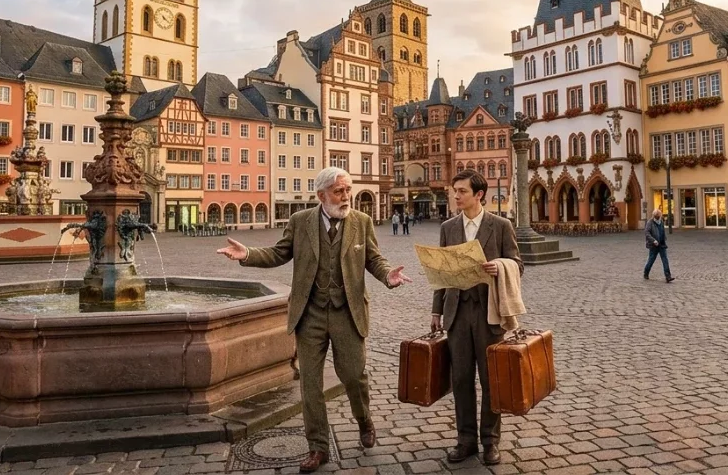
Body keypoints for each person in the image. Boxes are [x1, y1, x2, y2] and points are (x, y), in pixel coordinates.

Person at [216, 167, 412, 473]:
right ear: (321, 195)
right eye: (339, 191)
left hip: (348, 312)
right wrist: (247, 255)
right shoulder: (300, 222)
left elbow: (373, 259)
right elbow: (279, 253)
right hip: (310, 314)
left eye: (348, 190)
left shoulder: (361, 222)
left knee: (354, 376)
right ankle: (317, 447)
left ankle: (364, 420)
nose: (346, 196)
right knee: (310, 384)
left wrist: (388, 274)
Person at [431, 170, 522, 466]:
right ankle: (465, 440)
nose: (456, 196)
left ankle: (490, 442)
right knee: (460, 380)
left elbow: (518, 264)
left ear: (479, 195)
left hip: (488, 314)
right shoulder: (448, 227)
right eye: (454, 191)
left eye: (461, 191)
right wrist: (436, 310)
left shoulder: (500, 225)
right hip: (457, 312)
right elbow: (441, 274)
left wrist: (501, 266)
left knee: (490, 379)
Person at [643, 208, 674, 282]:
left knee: (665, 260)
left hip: (662, 243)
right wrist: (653, 240)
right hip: (654, 245)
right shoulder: (650, 222)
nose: (658, 217)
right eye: (657, 216)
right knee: (651, 260)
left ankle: (668, 276)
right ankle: (646, 272)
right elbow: (647, 233)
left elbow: (662, 230)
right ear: (654, 216)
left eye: (659, 216)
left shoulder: (661, 221)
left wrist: (664, 238)